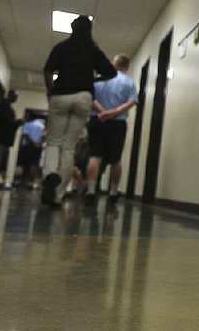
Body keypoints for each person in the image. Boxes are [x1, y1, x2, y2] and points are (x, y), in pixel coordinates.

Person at [42, 15, 116, 207]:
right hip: (83, 98)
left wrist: (51, 92)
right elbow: (111, 72)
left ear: (72, 28)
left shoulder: (61, 47)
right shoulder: (93, 50)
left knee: (53, 141)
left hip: (60, 95)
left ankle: (50, 174)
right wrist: (91, 81)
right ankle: (58, 196)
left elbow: (48, 70)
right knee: (68, 147)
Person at [83, 54, 138, 207]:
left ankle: (91, 191)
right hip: (118, 123)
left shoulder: (98, 79)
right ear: (127, 67)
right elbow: (131, 102)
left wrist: (102, 112)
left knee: (95, 156)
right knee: (116, 159)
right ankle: (113, 192)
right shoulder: (129, 82)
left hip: (97, 120)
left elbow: (90, 98)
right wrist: (113, 113)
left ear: (113, 65)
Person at [15, 116, 45, 188]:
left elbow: (25, 135)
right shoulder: (43, 127)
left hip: (27, 146)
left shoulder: (28, 124)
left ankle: (19, 181)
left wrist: (33, 143)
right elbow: (44, 136)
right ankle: (31, 182)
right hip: (37, 147)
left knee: (22, 163)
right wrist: (38, 143)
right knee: (34, 163)